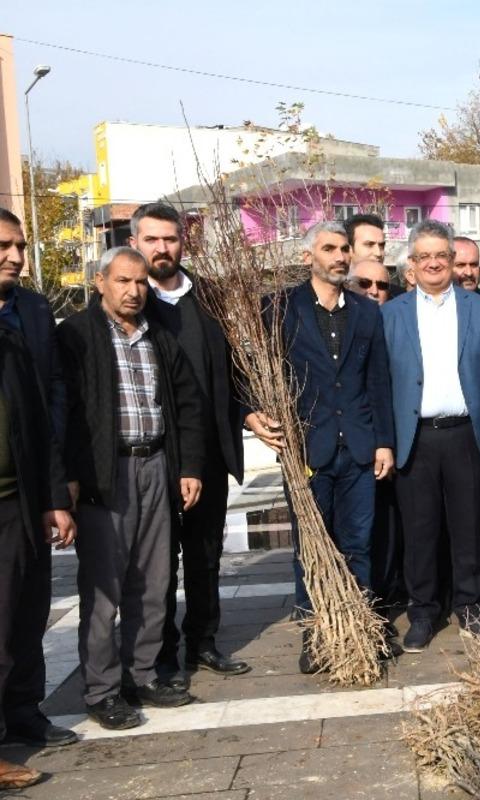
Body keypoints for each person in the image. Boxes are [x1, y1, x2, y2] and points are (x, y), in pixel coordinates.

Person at [59, 246, 206, 729]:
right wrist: (70, 478)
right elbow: (66, 415)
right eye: (123, 281)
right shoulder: (77, 336)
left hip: (156, 466)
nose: (134, 291)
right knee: (105, 589)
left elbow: (186, 402)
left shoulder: (158, 336)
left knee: (154, 581)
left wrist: (189, 466)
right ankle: (101, 689)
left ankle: (140, 675)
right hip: (106, 476)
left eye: (141, 282)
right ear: (100, 282)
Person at [245, 222, 396, 672]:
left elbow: (378, 383)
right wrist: (253, 414)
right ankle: (317, 634)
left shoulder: (367, 314)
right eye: (329, 248)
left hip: (359, 448)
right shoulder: (277, 307)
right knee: (311, 546)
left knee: (358, 544)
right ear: (308, 255)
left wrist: (384, 442)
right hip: (308, 450)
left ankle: (360, 629)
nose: (340, 256)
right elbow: (253, 369)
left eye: (345, 249)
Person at [127, 203, 251, 686]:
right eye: (153, 239)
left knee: (205, 553)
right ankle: (161, 653)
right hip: (159, 452)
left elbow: (233, 371)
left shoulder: (211, 297)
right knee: (158, 561)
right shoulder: (132, 299)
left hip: (211, 449)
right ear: (135, 242)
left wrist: (248, 412)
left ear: (184, 242)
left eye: (171, 239)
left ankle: (203, 640)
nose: (163, 248)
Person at [382, 220, 480, 652]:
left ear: (454, 261)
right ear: (412, 264)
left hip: (466, 436)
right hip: (415, 438)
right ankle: (422, 611)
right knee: (419, 531)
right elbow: (382, 384)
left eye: (442, 255)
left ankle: (470, 604)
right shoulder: (392, 314)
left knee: (468, 527)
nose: (434, 262)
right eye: (425, 256)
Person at [0, 209, 77, 753]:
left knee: (29, 614)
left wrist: (55, 496)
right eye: (4, 245)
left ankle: (26, 713)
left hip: (26, 493)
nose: (15, 256)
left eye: (20, 246)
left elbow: (50, 399)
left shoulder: (33, 308)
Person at [346, 258, 405, 613]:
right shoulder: (344, 324)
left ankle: (391, 599)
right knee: (362, 534)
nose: (374, 291)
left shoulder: (399, 322)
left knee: (397, 529)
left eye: (382, 285)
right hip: (358, 448)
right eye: (365, 283)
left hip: (404, 445)